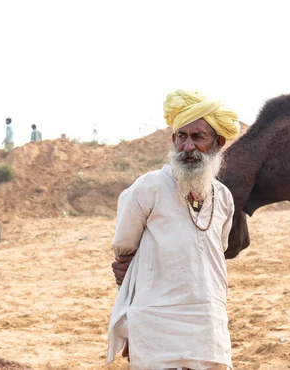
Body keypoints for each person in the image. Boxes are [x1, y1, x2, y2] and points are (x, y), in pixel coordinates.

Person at [107, 90, 240, 370]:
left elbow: (218, 251)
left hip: (209, 321)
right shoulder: (148, 187)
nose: (188, 147)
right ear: (173, 140)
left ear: (218, 143)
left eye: (198, 137)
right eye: (182, 136)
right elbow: (123, 253)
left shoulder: (224, 197)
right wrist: (132, 321)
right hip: (157, 322)